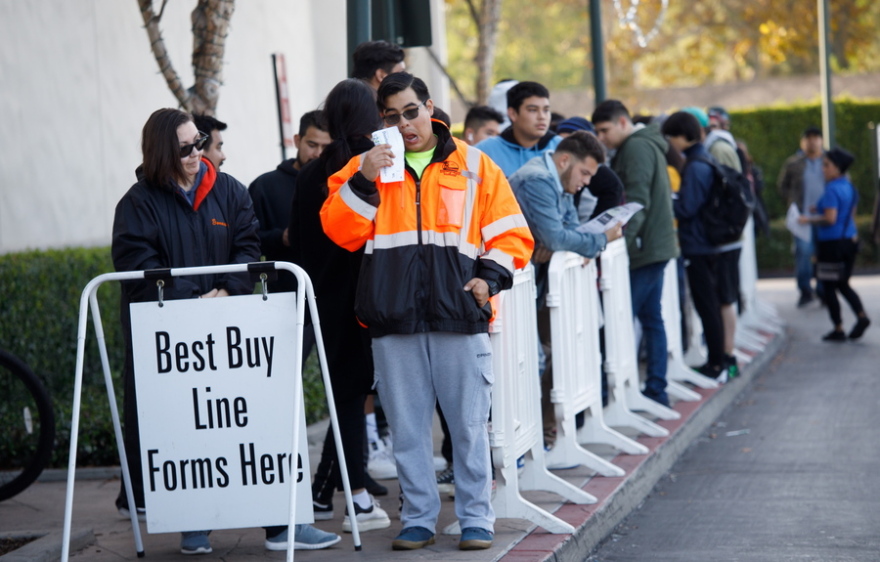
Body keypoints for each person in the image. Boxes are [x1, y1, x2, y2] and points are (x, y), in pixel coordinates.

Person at [320, 72, 533, 551]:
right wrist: (364, 178)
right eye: (391, 117)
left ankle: (477, 517)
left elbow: (513, 235)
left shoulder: (475, 164)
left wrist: (488, 277)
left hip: (459, 313)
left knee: (468, 427)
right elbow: (339, 231)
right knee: (408, 428)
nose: (404, 124)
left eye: (411, 111)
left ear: (430, 106)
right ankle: (417, 517)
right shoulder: (365, 167)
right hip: (392, 318)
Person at [112, 108, 339, 554]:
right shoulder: (136, 203)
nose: (197, 153)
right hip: (173, 343)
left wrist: (227, 291)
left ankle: (281, 525)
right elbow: (136, 265)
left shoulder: (230, 190)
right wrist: (189, 304)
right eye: (185, 148)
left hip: (233, 333)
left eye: (199, 142)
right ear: (161, 151)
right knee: (187, 429)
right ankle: (194, 526)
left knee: (253, 427)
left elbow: (247, 246)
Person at [289, 79, 392, 534]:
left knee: (347, 401)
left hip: (326, 299)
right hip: (382, 296)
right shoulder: (376, 165)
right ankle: (359, 499)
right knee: (393, 395)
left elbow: (299, 241)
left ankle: (352, 497)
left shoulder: (311, 173)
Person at [508, 131, 622, 446]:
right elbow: (558, 238)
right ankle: (527, 444)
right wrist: (599, 240)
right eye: (584, 173)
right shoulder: (539, 180)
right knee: (531, 362)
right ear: (564, 160)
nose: (586, 182)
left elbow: (566, 231)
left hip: (533, 283)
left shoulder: (557, 178)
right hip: (512, 286)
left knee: (546, 356)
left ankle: (538, 439)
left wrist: (565, 242)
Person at [592, 100, 679, 406]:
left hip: (645, 248)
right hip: (655, 245)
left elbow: (636, 203)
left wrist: (619, 246)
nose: (601, 138)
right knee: (651, 318)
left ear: (623, 123)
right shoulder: (645, 144)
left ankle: (638, 390)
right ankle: (656, 387)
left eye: (605, 130)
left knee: (624, 319)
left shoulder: (636, 148)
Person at [661, 110, 727, 379]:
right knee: (708, 303)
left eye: (670, 137)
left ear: (680, 136)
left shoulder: (697, 164)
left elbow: (688, 208)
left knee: (706, 304)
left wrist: (669, 200)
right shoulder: (702, 159)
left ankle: (716, 363)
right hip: (705, 242)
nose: (669, 144)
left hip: (698, 244)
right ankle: (716, 360)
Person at [248, 110, 331, 292]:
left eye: (326, 147)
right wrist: (281, 238)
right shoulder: (264, 186)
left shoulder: (340, 183)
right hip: (283, 295)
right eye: (312, 144)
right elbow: (246, 241)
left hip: (332, 293)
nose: (318, 154)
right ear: (297, 140)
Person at [798, 147, 870, 341]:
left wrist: (808, 219)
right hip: (849, 240)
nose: (823, 168)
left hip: (831, 244)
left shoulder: (831, 188)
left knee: (829, 287)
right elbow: (849, 213)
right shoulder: (849, 186)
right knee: (844, 284)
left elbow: (830, 218)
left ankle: (838, 328)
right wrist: (819, 208)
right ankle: (861, 316)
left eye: (827, 165)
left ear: (837, 168)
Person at [779, 126, 826, 307]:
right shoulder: (794, 163)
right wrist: (792, 204)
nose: (812, 141)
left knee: (824, 255)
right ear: (802, 141)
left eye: (815, 137)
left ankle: (824, 291)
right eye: (808, 138)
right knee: (804, 254)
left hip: (825, 219)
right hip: (802, 219)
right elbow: (782, 186)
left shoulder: (828, 161)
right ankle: (805, 290)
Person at [477, 81, 561, 177]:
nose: (542, 117)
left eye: (546, 110)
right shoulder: (486, 151)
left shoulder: (562, 148)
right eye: (533, 110)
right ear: (513, 114)